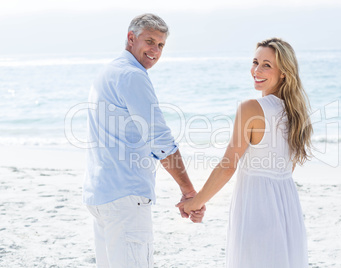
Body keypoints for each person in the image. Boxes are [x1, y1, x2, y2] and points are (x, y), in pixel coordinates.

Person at [177, 38, 313, 267]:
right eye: (255, 62)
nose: (256, 70)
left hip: (257, 210)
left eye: (267, 65)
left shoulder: (251, 108)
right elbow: (285, 169)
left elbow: (228, 165)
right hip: (287, 211)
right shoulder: (296, 114)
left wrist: (195, 202)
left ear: (283, 73)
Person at [83, 13, 205, 267]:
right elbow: (160, 140)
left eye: (161, 45)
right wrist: (189, 192)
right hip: (125, 199)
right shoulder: (132, 75)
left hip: (101, 195)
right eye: (150, 41)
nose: (155, 51)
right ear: (131, 38)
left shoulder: (109, 71)